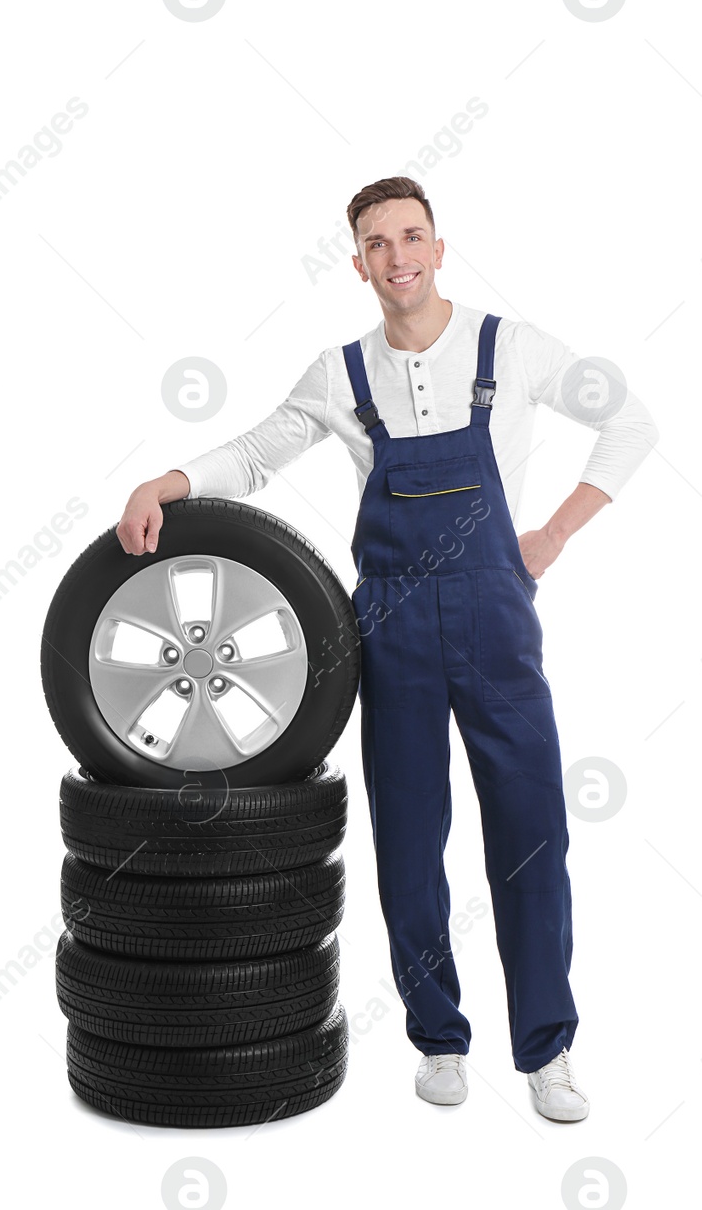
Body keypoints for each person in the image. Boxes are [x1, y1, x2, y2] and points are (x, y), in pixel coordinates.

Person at [117, 177, 656, 1122]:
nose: (398, 255)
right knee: (410, 844)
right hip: (392, 629)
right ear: (357, 260)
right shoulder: (341, 372)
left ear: (440, 247)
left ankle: (548, 1052)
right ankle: (439, 1037)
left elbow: (632, 422)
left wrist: (556, 533)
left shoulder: (509, 346)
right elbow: (252, 455)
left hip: (497, 619)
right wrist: (167, 477)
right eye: (377, 242)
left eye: (412, 236)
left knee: (531, 837)